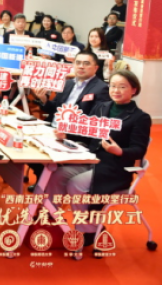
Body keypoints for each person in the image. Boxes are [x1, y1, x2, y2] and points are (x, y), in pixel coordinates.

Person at [45, 70, 150, 246]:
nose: (116, 90)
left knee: (76, 184)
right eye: (113, 86)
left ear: (134, 90)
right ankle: (48, 216)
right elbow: (86, 134)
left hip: (115, 168)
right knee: (58, 175)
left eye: (122, 87)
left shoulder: (140, 117)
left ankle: (89, 230)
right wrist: (66, 135)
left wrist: (119, 151)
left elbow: (139, 150)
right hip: (91, 159)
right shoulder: (101, 107)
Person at [28, 50, 112, 190]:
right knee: (26, 146)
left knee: (37, 152)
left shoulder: (101, 89)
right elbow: (54, 109)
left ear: (96, 68)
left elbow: (94, 122)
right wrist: (43, 99)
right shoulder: (67, 84)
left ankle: (45, 183)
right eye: (78, 63)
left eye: (86, 63)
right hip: (52, 129)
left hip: (73, 137)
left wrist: (67, 134)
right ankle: (41, 178)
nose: (81, 66)